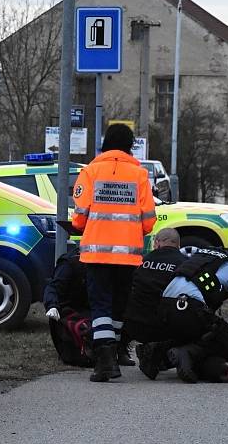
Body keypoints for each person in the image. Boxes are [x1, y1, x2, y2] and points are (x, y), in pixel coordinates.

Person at [71, 123, 156, 382]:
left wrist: (84, 225)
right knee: (119, 305)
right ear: (131, 145)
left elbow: (79, 217)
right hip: (128, 255)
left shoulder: (91, 171)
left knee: (101, 305)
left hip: (97, 254)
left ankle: (105, 360)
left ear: (105, 142)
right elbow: (149, 221)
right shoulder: (139, 175)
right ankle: (117, 350)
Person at [156, 236, 228, 383]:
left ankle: (156, 355)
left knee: (202, 332)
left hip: (165, 308)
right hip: (187, 309)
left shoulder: (209, 253)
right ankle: (186, 353)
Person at [43, 248, 135, 368]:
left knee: (124, 313)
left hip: (95, 307)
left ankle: (118, 350)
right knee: (93, 327)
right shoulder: (71, 263)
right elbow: (54, 287)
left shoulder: (107, 263)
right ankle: (98, 355)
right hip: (73, 309)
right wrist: (52, 305)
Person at [122, 227, 188, 379]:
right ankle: (161, 356)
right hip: (164, 328)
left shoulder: (141, 261)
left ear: (157, 243)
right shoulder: (184, 263)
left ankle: (119, 351)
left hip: (133, 325)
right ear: (178, 245)